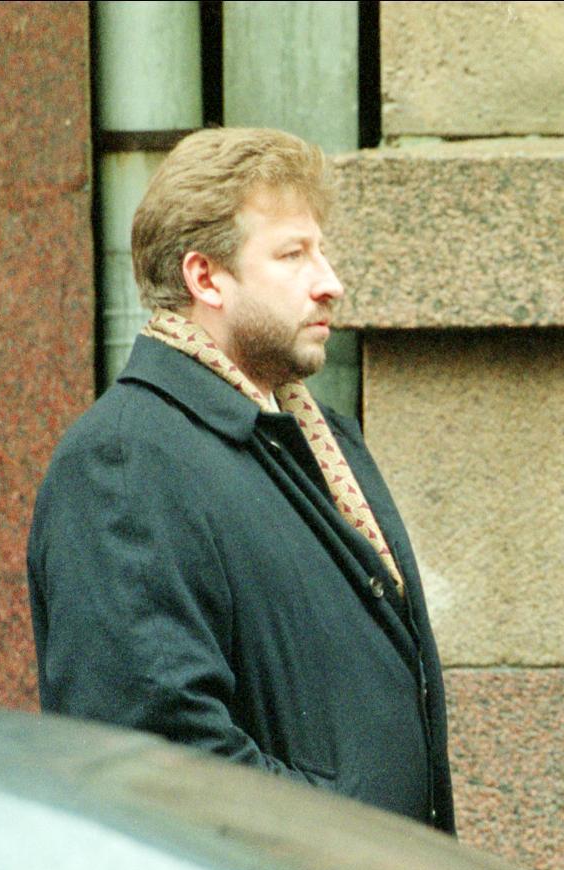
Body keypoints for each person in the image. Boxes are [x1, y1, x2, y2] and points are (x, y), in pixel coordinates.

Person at [28, 127, 453, 833]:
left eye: (321, 250)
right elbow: (158, 762)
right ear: (205, 278)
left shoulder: (319, 438)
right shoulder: (124, 463)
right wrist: (355, 847)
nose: (329, 282)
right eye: (292, 254)